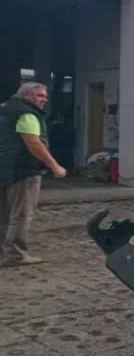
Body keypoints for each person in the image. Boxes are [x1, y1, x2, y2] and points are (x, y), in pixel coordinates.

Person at [0, 81, 67, 267]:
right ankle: (15, 254)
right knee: (21, 215)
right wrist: (54, 166)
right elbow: (33, 143)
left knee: (4, 214)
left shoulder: (4, 108)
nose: (44, 100)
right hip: (22, 170)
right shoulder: (26, 114)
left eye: (45, 96)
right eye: (40, 96)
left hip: (3, 169)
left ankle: (3, 252)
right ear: (27, 95)